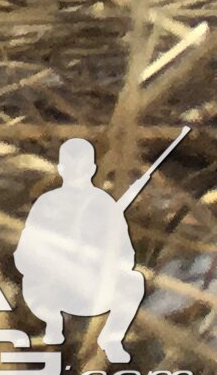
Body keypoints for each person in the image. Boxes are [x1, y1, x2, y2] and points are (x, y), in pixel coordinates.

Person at [19, 139, 148, 362]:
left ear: (92, 169)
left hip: (95, 283)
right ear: (61, 170)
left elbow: (126, 255)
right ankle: (53, 333)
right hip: (53, 284)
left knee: (135, 281)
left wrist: (101, 258)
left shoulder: (104, 204)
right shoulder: (47, 203)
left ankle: (111, 341)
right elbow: (23, 254)